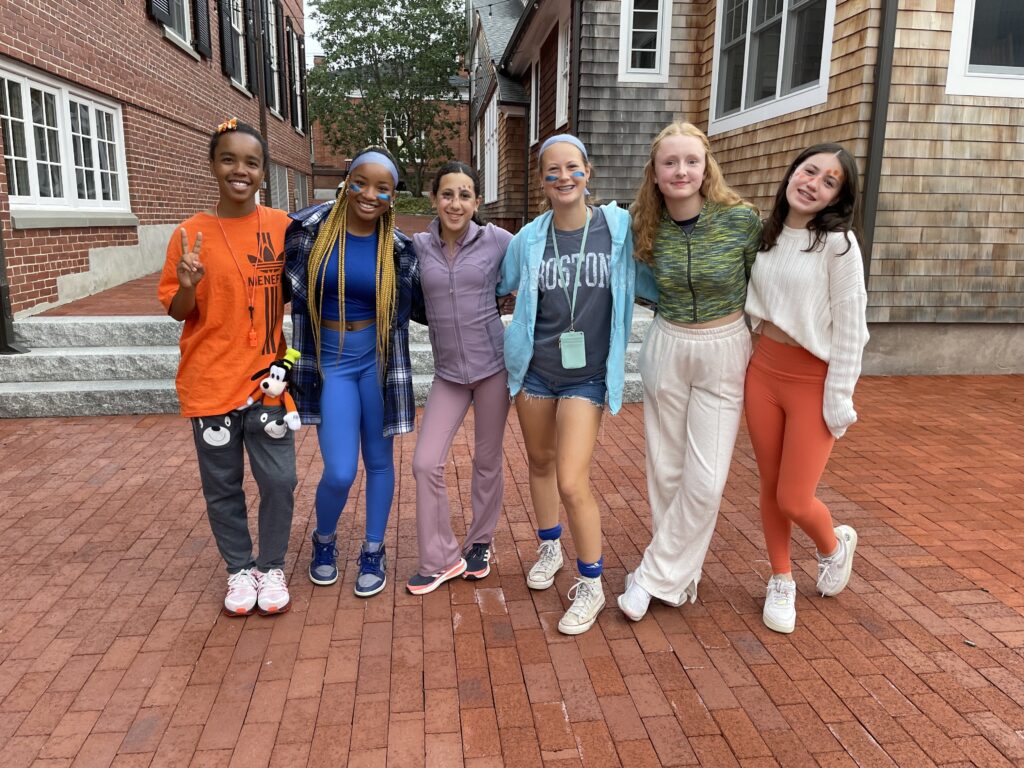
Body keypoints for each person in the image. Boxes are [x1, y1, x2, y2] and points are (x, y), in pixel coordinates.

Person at [498, 134, 657, 635]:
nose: (563, 177)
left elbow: (654, 278)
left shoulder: (617, 228)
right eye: (552, 170)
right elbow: (497, 285)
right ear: (542, 180)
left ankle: (592, 582)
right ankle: (549, 547)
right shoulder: (528, 238)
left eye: (572, 168)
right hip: (536, 370)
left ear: (588, 172)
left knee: (571, 478)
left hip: (587, 376)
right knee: (540, 463)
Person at [618, 122, 762, 621]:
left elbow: (764, 284)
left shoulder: (741, 220)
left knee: (706, 479)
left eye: (691, 162)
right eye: (670, 163)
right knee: (666, 468)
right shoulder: (641, 224)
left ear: (706, 168)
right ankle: (680, 578)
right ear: (655, 174)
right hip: (668, 342)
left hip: (724, 347)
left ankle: (652, 575)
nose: (681, 171)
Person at [157, 118, 295, 617]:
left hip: (267, 385)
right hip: (210, 381)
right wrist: (190, 282)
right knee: (223, 484)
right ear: (214, 166)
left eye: (252, 163)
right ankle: (239, 569)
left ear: (263, 172)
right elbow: (177, 309)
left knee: (280, 480)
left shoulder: (282, 227)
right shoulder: (189, 234)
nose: (240, 170)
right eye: (229, 159)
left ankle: (272, 564)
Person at [284, 145, 422, 598]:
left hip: (375, 362)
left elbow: (425, 302)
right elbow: (273, 287)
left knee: (380, 463)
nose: (369, 194)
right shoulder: (310, 231)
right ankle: (323, 540)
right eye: (361, 182)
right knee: (340, 471)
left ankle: (373, 549)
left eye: (382, 188)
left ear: (392, 197)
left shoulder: (398, 248)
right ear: (347, 183)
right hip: (332, 363)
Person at [744, 143, 869, 634]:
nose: (813, 182)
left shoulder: (838, 245)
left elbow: (851, 328)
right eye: (809, 169)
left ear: (838, 196)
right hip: (763, 373)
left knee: (795, 497)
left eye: (829, 180)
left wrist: (840, 395)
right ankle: (781, 579)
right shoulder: (766, 234)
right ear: (793, 172)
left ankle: (833, 546)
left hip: (812, 381)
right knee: (770, 489)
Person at [405, 162, 514, 595]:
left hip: (493, 369)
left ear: (477, 202)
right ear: (434, 198)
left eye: (465, 195)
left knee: (486, 461)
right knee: (425, 461)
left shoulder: (498, 241)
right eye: (447, 194)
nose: (456, 203)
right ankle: (440, 558)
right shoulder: (416, 246)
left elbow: (535, 265)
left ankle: (479, 545)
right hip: (448, 374)